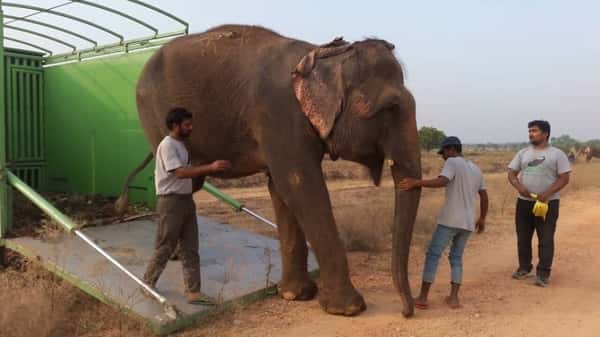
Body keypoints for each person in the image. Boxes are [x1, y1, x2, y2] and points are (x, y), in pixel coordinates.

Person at [142, 107, 231, 304]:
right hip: (171, 202)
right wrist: (210, 167)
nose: (191, 128)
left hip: (185, 200)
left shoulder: (181, 145)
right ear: (175, 126)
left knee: (190, 248)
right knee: (166, 246)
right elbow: (180, 172)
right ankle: (148, 283)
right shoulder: (168, 146)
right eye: (187, 125)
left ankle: (193, 292)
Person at [400, 136, 488, 309]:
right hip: (468, 222)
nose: (443, 157)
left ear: (452, 150)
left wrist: (416, 182)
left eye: (444, 153)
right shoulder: (476, 169)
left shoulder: (453, 162)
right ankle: (454, 298)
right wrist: (482, 218)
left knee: (433, 255)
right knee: (456, 258)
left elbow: (443, 181)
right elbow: (484, 195)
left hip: (450, 219)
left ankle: (423, 297)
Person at [508, 120, 571, 287]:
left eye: (534, 131)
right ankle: (524, 268)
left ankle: (543, 273)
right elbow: (512, 174)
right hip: (524, 203)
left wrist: (547, 194)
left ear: (545, 134)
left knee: (545, 238)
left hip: (548, 203)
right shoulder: (523, 153)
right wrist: (519, 187)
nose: (531, 133)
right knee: (523, 237)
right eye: (530, 130)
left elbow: (564, 178)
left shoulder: (557, 154)